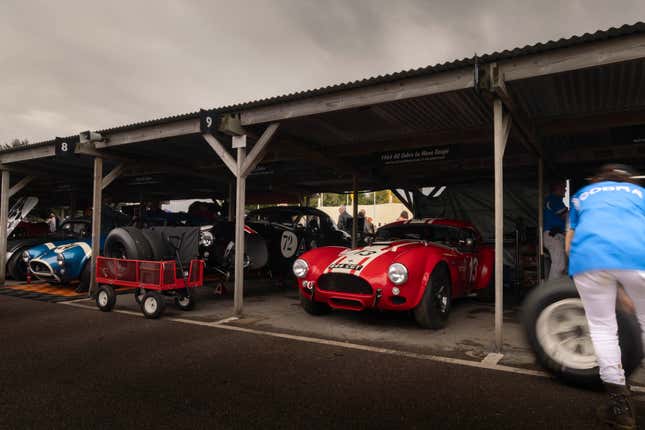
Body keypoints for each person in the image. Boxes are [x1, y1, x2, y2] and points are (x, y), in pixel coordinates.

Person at [566, 164, 645, 429]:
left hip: (589, 258)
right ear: (625, 179)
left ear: (598, 179)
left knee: (602, 329)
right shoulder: (639, 193)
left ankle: (620, 407)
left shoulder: (581, 195)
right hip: (638, 255)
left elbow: (569, 242)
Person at [543, 181, 568, 279]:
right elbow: (566, 216)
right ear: (557, 188)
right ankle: (552, 291)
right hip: (553, 235)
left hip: (558, 235)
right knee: (559, 265)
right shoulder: (554, 199)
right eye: (563, 187)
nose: (565, 190)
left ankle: (560, 290)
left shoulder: (555, 200)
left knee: (564, 266)